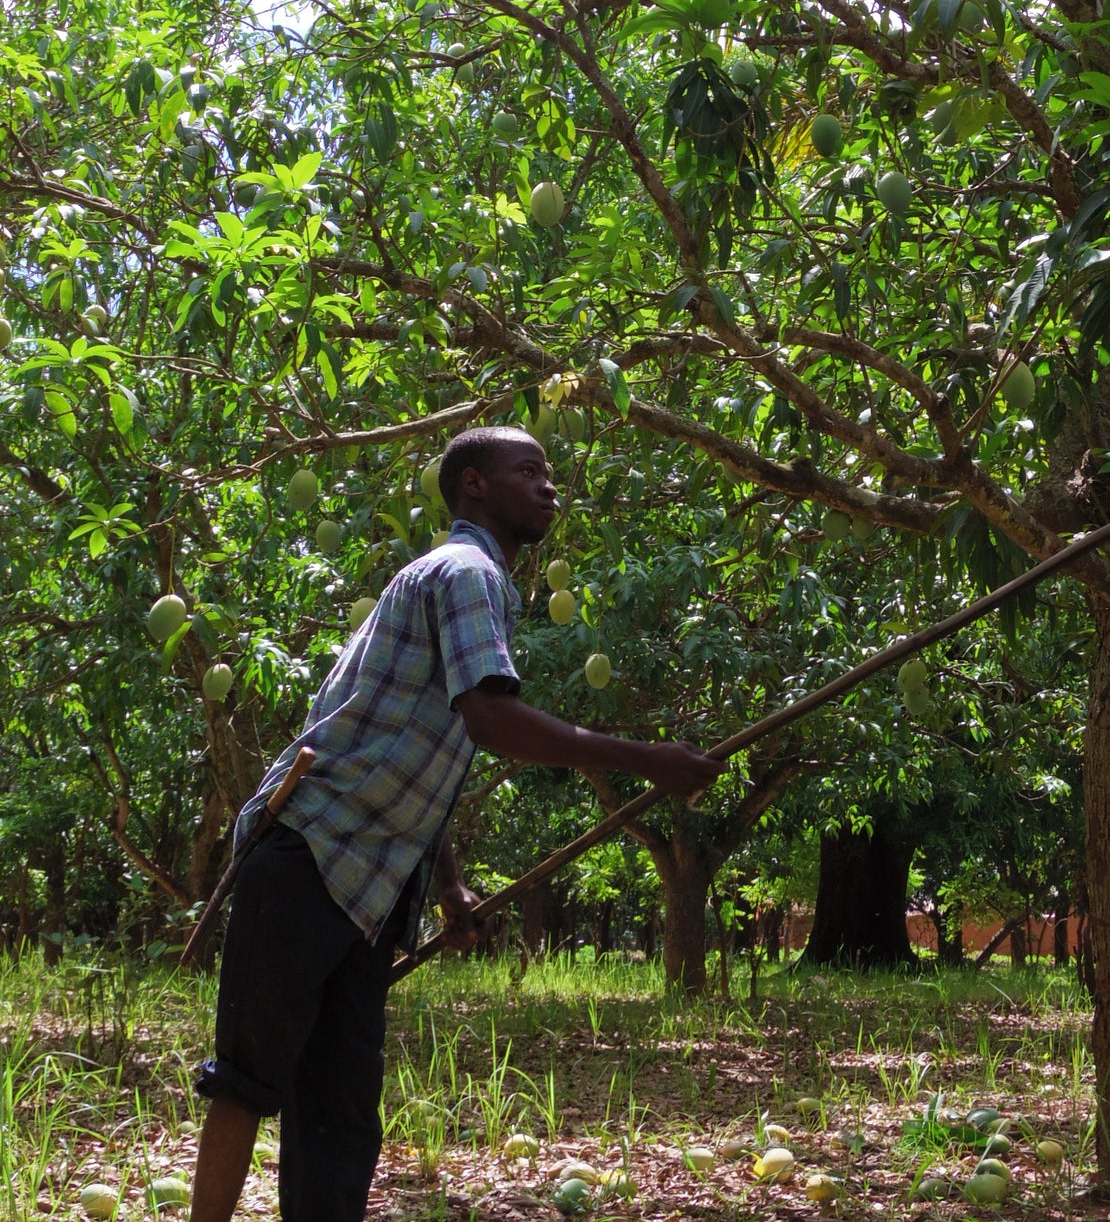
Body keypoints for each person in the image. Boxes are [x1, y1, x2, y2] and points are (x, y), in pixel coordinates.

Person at [190, 425, 721, 1222]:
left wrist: (446, 882)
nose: (549, 485)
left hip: (368, 883)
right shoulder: (466, 571)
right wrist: (647, 758)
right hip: (308, 853)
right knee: (247, 1078)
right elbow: (488, 720)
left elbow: (412, 751)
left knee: (339, 1116)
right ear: (474, 484)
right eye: (529, 470)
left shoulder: (467, 582)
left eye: (551, 471)